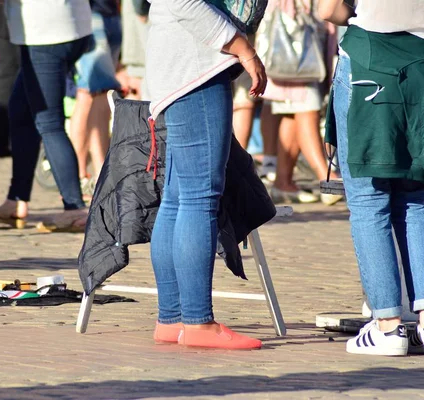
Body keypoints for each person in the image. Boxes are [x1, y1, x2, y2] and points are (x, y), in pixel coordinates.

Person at [145, 0, 266, 349]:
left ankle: (173, 318)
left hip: (183, 66)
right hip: (195, 69)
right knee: (198, 197)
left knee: (179, 198)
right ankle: (198, 322)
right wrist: (243, 49)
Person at [320, 0, 424, 356]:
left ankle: (387, 326)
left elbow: (328, 9)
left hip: (371, 58)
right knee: (416, 198)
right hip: (422, 60)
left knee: (368, 200)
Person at [0, 0, 92, 231]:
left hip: (46, 33)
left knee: (49, 123)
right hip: (67, 25)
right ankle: (17, 199)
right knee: (20, 111)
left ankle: (75, 209)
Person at [261, 0, 343, 206]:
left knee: (293, 115)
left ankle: (283, 182)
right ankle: (327, 176)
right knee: (308, 111)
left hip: (305, 46)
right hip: (298, 48)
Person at [69, 0, 122, 196]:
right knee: (92, 92)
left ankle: (93, 174)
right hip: (89, 14)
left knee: (97, 95)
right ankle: (83, 175)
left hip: (111, 13)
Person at [0, 0, 20, 158]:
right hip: (21, 19)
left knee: (6, 78)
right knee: (18, 78)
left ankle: (0, 141)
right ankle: (4, 141)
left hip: (5, 15)